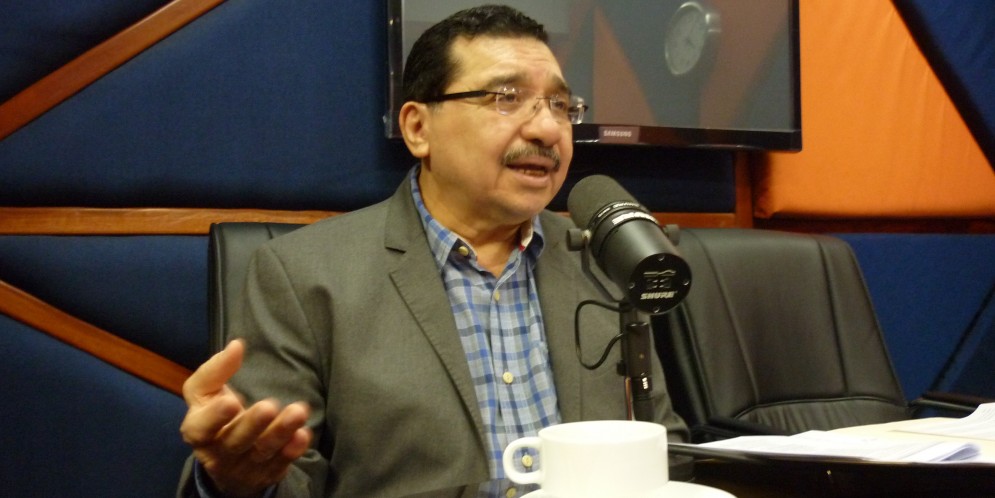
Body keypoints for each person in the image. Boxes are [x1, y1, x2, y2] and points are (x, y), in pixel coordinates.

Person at [177, 4, 687, 497]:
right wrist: (239, 484)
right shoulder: (305, 276)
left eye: (560, 105)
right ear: (419, 128)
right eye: (507, 98)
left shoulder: (603, 260)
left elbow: (667, 451)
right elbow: (274, 469)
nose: (547, 129)